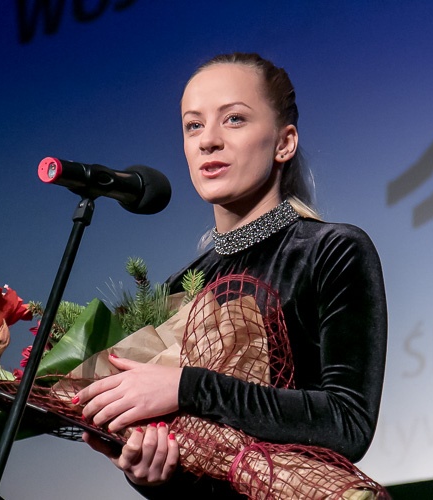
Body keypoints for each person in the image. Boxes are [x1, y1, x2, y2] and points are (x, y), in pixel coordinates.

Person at [75, 52, 387, 498]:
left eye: (234, 119)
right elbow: (201, 469)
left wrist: (187, 387)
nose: (208, 141)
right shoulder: (179, 287)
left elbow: (347, 423)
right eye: (193, 125)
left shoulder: (331, 251)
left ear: (284, 143)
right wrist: (150, 472)